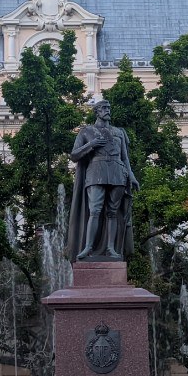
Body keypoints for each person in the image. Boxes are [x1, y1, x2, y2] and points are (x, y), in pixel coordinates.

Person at [66, 99, 139, 260]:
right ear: (97, 112)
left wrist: (131, 176)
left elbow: (125, 157)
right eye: (104, 108)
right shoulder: (87, 132)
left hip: (117, 172)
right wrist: (91, 144)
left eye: (109, 108)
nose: (108, 111)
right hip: (96, 172)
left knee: (112, 212)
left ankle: (111, 249)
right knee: (95, 210)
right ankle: (88, 247)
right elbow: (74, 155)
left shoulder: (119, 132)